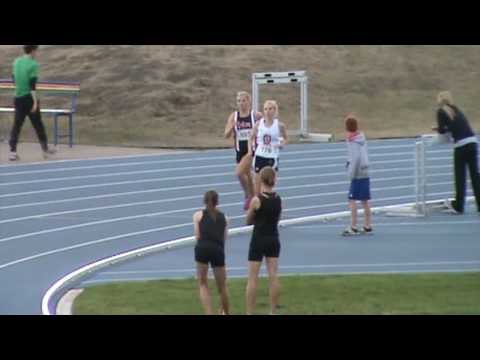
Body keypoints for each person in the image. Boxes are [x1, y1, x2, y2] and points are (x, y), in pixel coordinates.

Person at [435, 91, 480, 214]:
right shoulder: (456, 109)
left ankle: (458, 205)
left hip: (461, 145)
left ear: (440, 100)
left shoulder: (441, 111)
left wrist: (438, 130)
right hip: (472, 142)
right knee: (475, 176)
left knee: (460, 176)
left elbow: (442, 131)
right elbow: (456, 124)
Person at [9, 45, 56, 161]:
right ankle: (45, 150)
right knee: (38, 125)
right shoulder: (33, 64)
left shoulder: (16, 62)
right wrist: (35, 102)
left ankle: (13, 152)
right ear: (33, 50)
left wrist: (18, 90)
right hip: (29, 99)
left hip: (18, 98)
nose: (37, 53)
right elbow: (32, 85)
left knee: (17, 125)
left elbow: (14, 78)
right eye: (36, 51)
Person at [245, 167, 282, 315]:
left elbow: (248, 220)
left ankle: (250, 312)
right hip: (273, 237)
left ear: (261, 180)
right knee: (273, 276)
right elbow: (278, 218)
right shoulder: (279, 199)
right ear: (274, 180)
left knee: (253, 278)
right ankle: (272, 311)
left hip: (258, 238)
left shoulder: (257, 200)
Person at [193, 191, 230, 315]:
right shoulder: (224, 217)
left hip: (202, 248)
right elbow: (224, 238)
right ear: (217, 202)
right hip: (217, 250)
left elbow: (197, 235)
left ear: (204, 201)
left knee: (203, 283)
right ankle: (226, 312)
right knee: (222, 287)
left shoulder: (198, 215)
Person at [224, 91, 263, 210]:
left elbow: (266, 127)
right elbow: (226, 135)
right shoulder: (234, 116)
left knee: (240, 173)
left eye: (244, 100)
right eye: (239, 101)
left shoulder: (255, 116)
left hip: (252, 151)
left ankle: (249, 196)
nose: (241, 103)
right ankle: (254, 198)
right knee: (248, 176)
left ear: (249, 101)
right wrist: (231, 127)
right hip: (240, 151)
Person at [248, 100, 288, 196]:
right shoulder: (258, 124)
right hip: (260, 155)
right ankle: (257, 205)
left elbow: (286, 139)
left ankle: (267, 205)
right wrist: (250, 151)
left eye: (270, 109)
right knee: (257, 185)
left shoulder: (280, 125)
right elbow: (250, 138)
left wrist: (281, 144)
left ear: (275, 110)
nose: (268, 111)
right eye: (265, 109)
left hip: (272, 157)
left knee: (268, 186)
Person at [342, 114, 373, 236]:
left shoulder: (352, 141)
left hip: (357, 173)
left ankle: (353, 226)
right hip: (365, 171)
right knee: (365, 200)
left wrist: (351, 174)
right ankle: (367, 225)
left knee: (352, 199)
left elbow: (355, 158)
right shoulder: (361, 137)